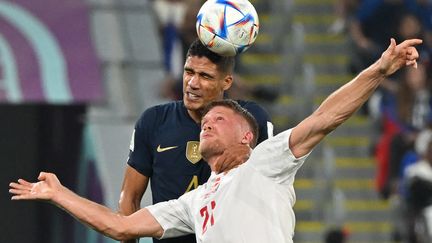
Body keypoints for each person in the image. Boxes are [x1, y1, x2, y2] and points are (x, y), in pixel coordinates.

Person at [9, 38, 422, 242]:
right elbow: (119, 225)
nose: (206, 121)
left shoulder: (266, 163)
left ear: (246, 136)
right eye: (205, 120)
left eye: (219, 117)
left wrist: (379, 70)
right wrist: (60, 194)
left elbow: (325, 117)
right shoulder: (193, 202)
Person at [119, 39, 272, 243]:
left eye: (205, 76)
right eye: (189, 72)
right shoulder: (153, 121)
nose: (192, 83)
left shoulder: (250, 120)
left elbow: (268, 184)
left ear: (226, 82)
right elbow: (129, 197)